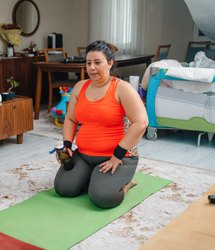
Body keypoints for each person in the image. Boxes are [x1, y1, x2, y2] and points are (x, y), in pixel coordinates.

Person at [54, 40, 148, 209]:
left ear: (110, 63)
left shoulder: (122, 88)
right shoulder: (80, 87)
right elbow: (70, 119)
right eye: (88, 63)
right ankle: (93, 177)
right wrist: (67, 145)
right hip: (84, 154)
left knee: (103, 197)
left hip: (117, 157)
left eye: (97, 62)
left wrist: (117, 156)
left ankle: (127, 183)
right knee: (63, 188)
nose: (91, 68)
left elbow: (141, 123)